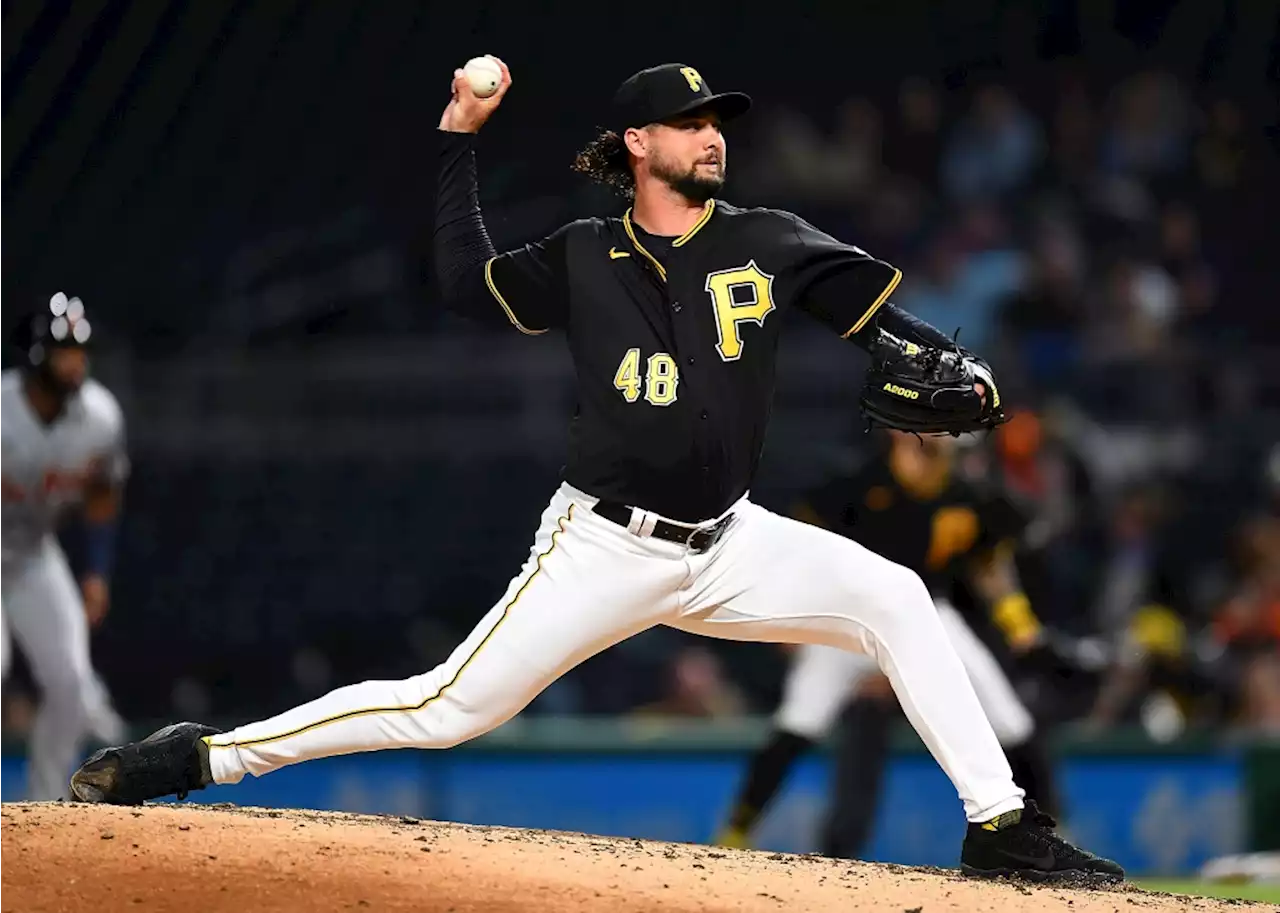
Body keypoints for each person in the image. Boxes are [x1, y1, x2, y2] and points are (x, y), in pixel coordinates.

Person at [70, 58, 1121, 882]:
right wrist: (457, 141)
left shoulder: (767, 238)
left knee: (898, 597)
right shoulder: (581, 254)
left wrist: (949, 362)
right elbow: (462, 283)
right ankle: (198, 757)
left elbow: (881, 326)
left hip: (731, 540)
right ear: (636, 143)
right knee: (446, 708)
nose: (712, 135)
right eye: (691, 120)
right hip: (602, 544)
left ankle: (1000, 828)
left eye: (717, 121)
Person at [714, 430, 1061, 858]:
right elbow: (799, 541)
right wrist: (788, 620)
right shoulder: (858, 483)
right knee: (799, 722)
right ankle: (735, 831)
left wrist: (1019, 623)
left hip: (930, 615)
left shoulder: (968, 494)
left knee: (1013, 724)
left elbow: (989, 564)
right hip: (845, 616)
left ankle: (1053, 838)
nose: (947, 440)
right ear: (901, 431)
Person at [0, 293, 128, 799]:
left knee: (73, 685)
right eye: (64, 351)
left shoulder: (99, 416)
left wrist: (96, 570)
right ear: (36, 356)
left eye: (81, 351)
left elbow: (102, 496)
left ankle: (46, 808)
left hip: (32, 553)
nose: (77, 361)